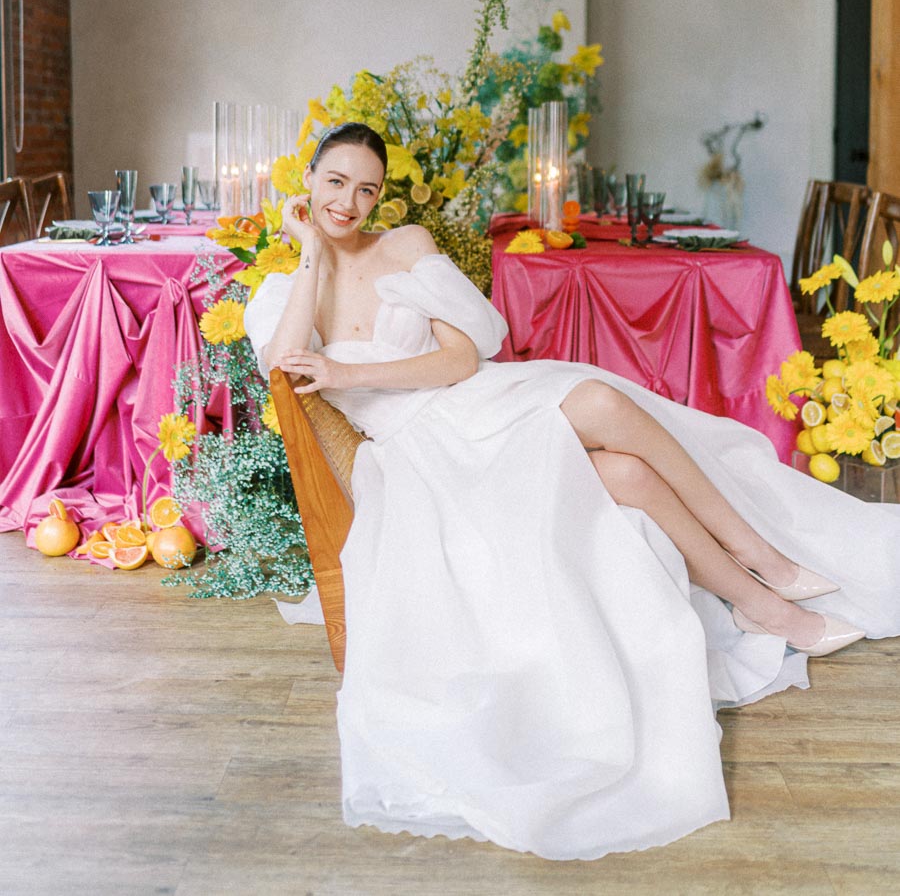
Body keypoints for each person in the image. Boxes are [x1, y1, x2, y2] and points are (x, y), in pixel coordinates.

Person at [244, 121, 900, 862]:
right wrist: (310, 257)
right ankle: (761, 600)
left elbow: (461, 358)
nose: (348, 203)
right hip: (420, 454)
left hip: (471, 400)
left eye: (366, 188)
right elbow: (285, 364)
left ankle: (762, 563)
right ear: (310, 181)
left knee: (605, 403)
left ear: (381, 194)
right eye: (335, 183)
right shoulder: (283, 287)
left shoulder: (407, 246)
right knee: (627, 475)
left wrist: (350, 373)